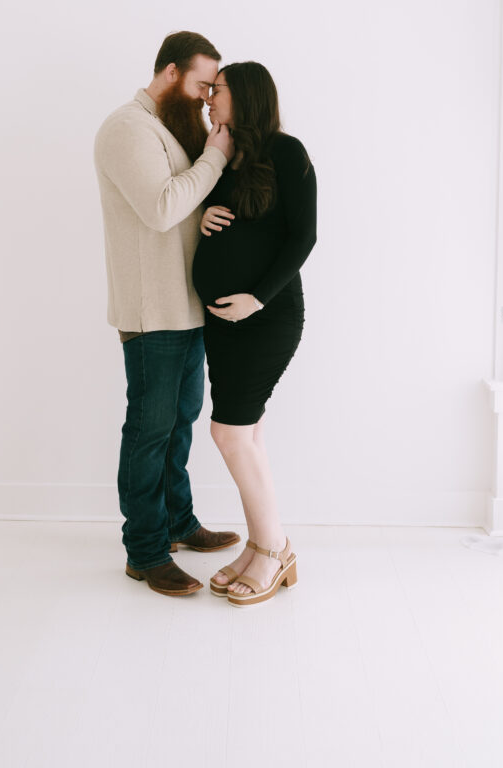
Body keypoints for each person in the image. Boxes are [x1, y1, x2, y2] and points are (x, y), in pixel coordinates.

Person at [94, 31, 240, 597]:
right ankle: (146, 551)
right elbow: (160, 209)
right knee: (149, 433)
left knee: (179, 425)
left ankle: (179, 523)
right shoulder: (127, 128)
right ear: (171, 72)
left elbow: (182, 203)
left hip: (184, 309)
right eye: (203, 84)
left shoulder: (168, 130)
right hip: (152, 312)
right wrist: (215, 156)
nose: (208, 98)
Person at [192, 61, 317, 606]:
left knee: (228, 433)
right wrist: (204, 216)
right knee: (247, 434)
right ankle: (257, 545)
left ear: (245, 97)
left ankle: (275, 548)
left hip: (266, 318)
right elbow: (229, 222)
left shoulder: (287, 153)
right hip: (223, 324)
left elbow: (303, 237)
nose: (208, 101)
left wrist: (257, 298)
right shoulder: (224, 155)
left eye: (216, 92)